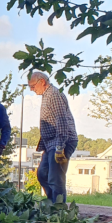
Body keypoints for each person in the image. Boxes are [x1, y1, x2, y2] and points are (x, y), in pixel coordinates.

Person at [28, 71, 78, 203]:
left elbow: (61, 120)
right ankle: (52, 203)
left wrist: (60, 146)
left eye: (32, 86)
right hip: (51, 143)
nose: (31, 90)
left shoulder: (54, 94)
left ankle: (59, 209)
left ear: (42, 82)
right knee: (42, 174)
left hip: (61, 141)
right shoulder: (46, 95)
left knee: (55, 178)